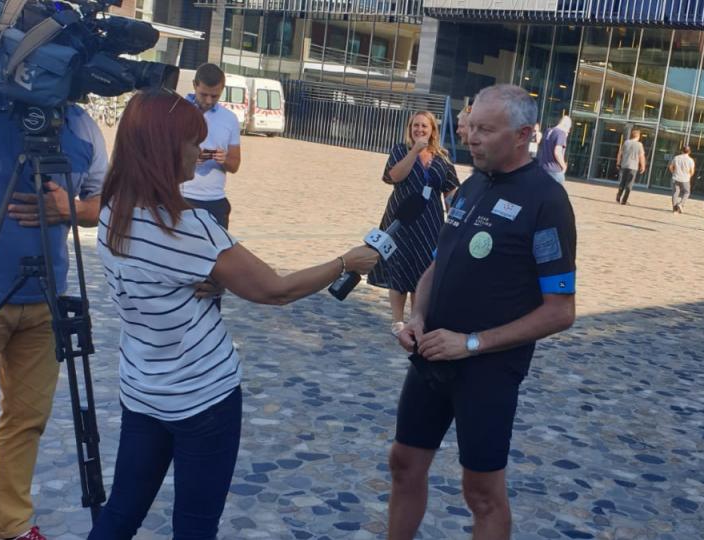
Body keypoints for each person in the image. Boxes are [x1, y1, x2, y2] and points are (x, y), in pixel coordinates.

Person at [87, 89, 378, 540]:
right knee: (195, 526)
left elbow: (167, 275)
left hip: (142, 389)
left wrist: (214, 278)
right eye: (191, 142)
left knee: (121, 511)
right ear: (164, 149)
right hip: (203, 396)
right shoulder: (189, 230)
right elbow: (275, 290)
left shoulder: (112, 213)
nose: (200, 152)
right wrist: (346, 263)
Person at [389, 84, 577, 540]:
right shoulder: (471, 186)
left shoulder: (547, 202)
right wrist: (417, 318)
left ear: (523, 135)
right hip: (432, 353)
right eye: (470, 126)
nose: (471, 137)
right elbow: (438, 263)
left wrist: (471, 344)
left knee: (481, 492)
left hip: (488, 369)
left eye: (485, 129)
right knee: (403, 463)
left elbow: (560, 311)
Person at [0, 81, 108, 540]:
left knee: (27, 421)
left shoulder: (80, 125)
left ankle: (11, 527)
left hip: (47, 299)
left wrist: (73, 208)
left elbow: (103, 203)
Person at [367, 111, 460, 336]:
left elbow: (451, 192)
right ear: (410, 129)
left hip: (429, 221)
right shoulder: (400, 150)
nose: (419, 130)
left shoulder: (443, 159)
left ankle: (416, 319)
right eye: (415, 126)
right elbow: (393, 176)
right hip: (400, 218)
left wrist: (456, 219)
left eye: (424, 126)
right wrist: (415, 151)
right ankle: (397, 321)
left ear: (432, 131)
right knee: (397, 265)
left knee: (423, 268)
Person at [180, 63, 242, 228]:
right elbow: (159, 154)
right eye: (203, 94)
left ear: (223, 88)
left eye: (215, 96)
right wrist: (188, 158)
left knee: (218, 252)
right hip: (181, 197)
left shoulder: (230, 119)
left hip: (215, 200)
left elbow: (235, 165)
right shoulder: (177, 111)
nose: (208, 101)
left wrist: (224, 159)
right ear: (194, 85)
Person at [537, 115, 572, 184]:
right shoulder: (561, 133)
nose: (568, 131)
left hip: (543, 168)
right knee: (555, 193)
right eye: (569, 129)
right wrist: (564, 166)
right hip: (555, 170)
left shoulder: (548, 131)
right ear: (566, 126)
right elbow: (557, 152)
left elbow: (541, 147)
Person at [615, 129, 646, 204]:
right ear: (638, 136)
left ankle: (619, 195)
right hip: (633, 167)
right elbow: (641, 156)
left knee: (623, 181)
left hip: (624, 165)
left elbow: (620, 153)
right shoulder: (639, 145)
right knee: (629, 184)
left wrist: (618, 162)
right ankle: (624, 200)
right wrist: (643, 166)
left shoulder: (626, 142)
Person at [669, 145, 695, 213]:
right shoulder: (690, 160)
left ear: (681, 151)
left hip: (676, 177)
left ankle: (675, 208)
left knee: (675, 192)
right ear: (689, 152)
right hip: (685, 179)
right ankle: (681, 204)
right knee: (687, 192)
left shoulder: (676, 158)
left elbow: (671, 167)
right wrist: (689, 176)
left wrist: (673, 173)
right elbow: (692, 171)